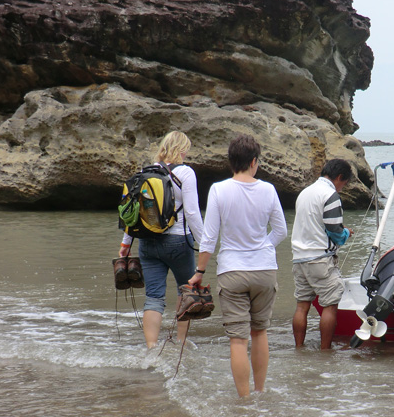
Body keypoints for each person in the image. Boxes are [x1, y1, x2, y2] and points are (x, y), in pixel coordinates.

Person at [188, 134, 287, 397]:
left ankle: (244, 401)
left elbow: (209, 237)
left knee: (238, 340)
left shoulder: (219, 189)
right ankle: (260, 391)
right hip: (265, 270)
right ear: (254, 161)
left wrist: (199, 272)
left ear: (231, 161)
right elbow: (280, 231)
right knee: (260, 332)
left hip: (232, 271)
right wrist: (263, 246)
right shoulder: (268, 190)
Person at [119, 130, 204, 349]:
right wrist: (205, 244)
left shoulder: (144, 172)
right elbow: (193, 214)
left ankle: (151, 348)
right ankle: (181, 341)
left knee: (153, 297)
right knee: (185, 292)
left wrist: (126, 243)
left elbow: (133, 212)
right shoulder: (185, 173)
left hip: (147, 242)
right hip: (178, 242)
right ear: (182, 150)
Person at [291, 159, 353, 350]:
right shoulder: (330, 195)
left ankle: (299, 348)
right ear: (340, 177)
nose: (343, 187)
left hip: (299, 258)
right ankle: (325, 351)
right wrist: (346, 234)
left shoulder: (304, 193)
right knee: (330, 304)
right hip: (319, 259)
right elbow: (334, 229)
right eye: (344, 183)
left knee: (302, 306)